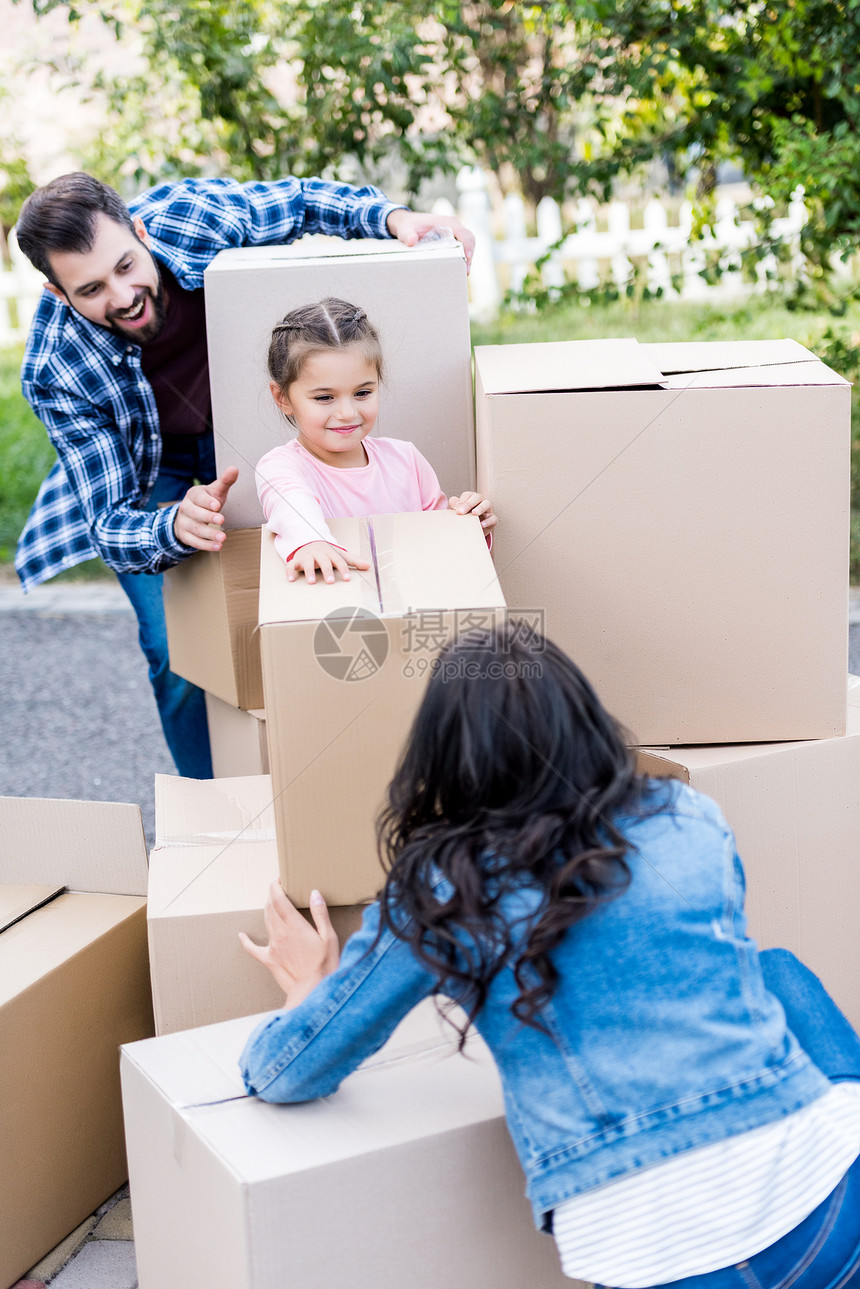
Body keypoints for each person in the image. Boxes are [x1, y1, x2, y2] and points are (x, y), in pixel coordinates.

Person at [239, 623, 860, 1288]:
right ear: (587, 724)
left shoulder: (443, 890)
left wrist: (307, 983)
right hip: (830, 1214)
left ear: (446, 758)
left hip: (661, 1266)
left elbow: (285, 1072)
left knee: (776, 969)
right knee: (777, 970)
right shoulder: (686, 814)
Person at [14, 173, 475, 777]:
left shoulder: (191, 218)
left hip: (255, 432)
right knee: (174, 650)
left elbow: (304, 200)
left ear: (140, 230)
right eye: (92, 288)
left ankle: (332, 769)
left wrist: (391, 219)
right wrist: (172, 526)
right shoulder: (55, 366)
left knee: (309, 604)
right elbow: (109, 523)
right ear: (57, 290)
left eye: (127, 265)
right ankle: (213, 808)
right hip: (156, 469)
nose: (123, 295)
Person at [255, 296, 496, 585]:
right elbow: (291, 506)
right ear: (283, 398)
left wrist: (468, 526)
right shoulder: (281, 467)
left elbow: (441, 547)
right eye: (324, 398)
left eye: (362, 393)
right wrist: (311, 541)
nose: (347, 413)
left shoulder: (405, 459)